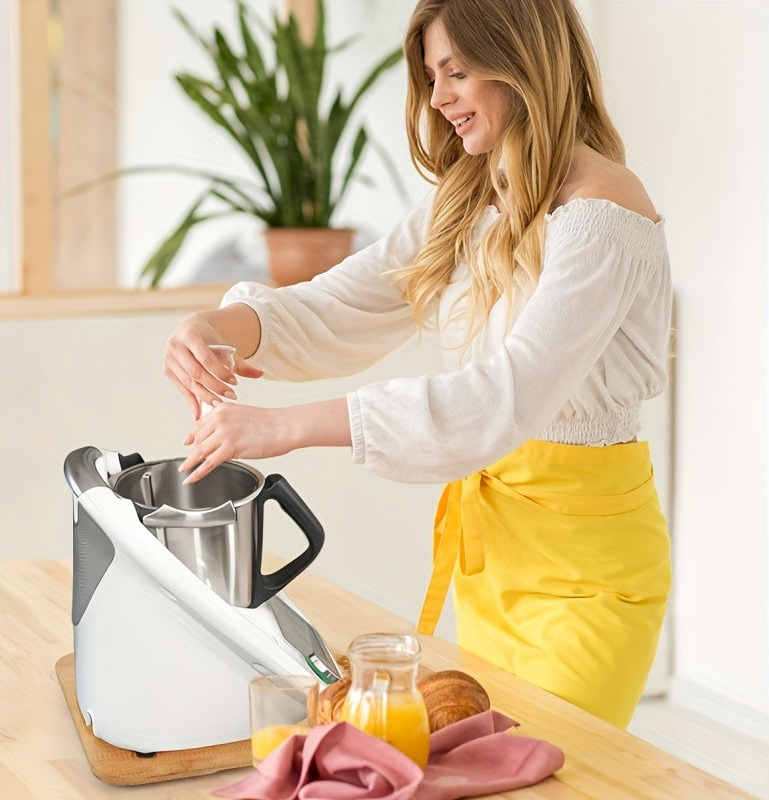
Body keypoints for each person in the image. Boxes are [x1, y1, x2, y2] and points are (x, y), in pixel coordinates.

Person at [164, 0, 672, 730]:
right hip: (494, 555)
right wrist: (216, 327)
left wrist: (282, 428)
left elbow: (502, 397)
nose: (438, 99)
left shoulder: (602, 215)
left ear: (524, 63)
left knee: (556, 768)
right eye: (431, 76)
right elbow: (340, 303)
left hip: (587, 578)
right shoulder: (471, 202)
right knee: (490, 764)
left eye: (457, 72)